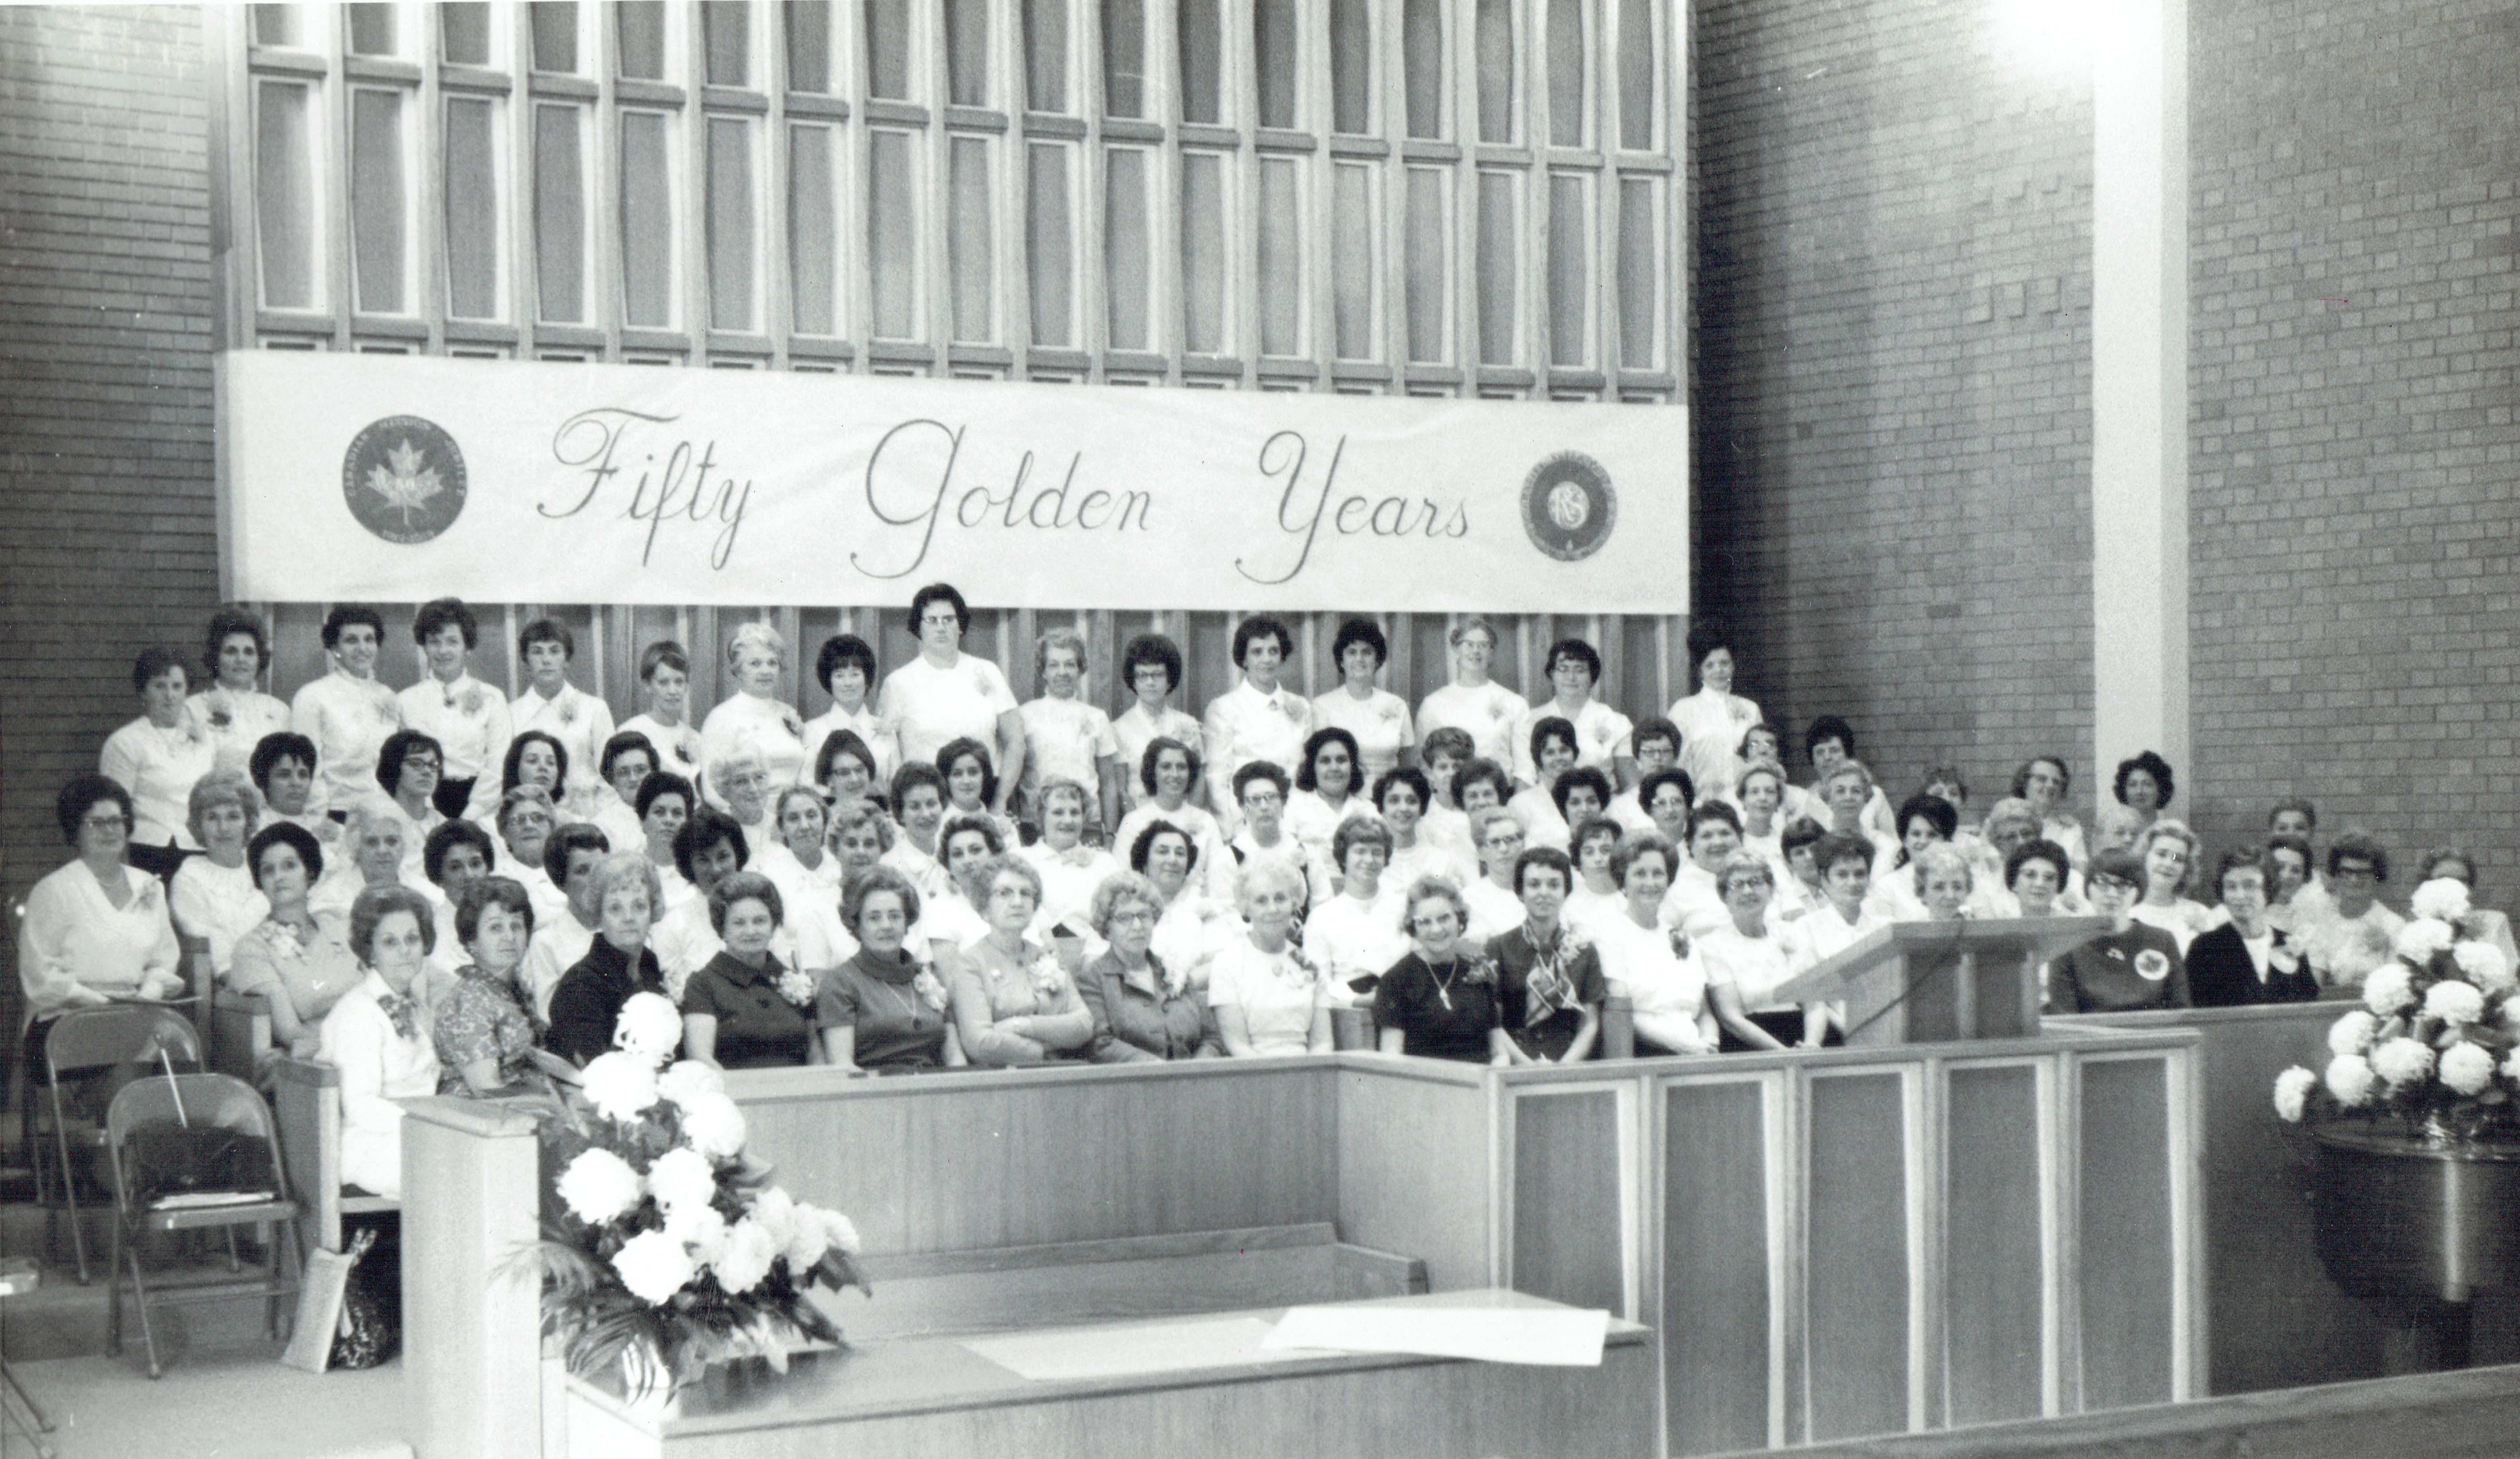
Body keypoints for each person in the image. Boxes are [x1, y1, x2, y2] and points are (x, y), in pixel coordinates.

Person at [20, 777, 187, 1079]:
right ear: (75, 831)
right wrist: (102, 1004)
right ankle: (123, 1120)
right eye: (96, 823)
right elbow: (40, 976)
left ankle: (136, 1121)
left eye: (116, 821)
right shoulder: (55, 890)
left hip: (134, 1016)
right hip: (65, 1021)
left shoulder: (148, 886)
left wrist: (147, 995)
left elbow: (163, 961)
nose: (110, 830)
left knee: (178, 1041)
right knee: (135, 1050)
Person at [318, 885, 444, 1198]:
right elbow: (361, 1105)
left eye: (412, 939)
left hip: (410, 1135)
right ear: (370, 951)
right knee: (464, 1165)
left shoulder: (411, 1004)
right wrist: (431, 1123)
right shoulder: (359, 1012)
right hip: (371, 1146)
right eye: (390, 942)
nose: (405, 950)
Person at [879, 582, 1025, 816]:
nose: (941, 628)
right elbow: (889, 757)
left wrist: (999, 802)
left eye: (949, 619)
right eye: (932, 620)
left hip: (983, 800)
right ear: (919, 627)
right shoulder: (898, 683)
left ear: (960, 626)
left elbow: (1016, 741)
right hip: (925, 805)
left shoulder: (988, 671)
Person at [228, 821, 365, 1060]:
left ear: (309, 872)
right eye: (268, 870)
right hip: (321, 1058)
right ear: (260, 882)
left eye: (289, 866)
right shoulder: (252, 949)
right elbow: (292, 1035)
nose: (279, 877)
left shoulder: (340, 924)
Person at [944, 855, 1092, 1067]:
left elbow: (1084, 1024)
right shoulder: (970, 963)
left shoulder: (1045, 956)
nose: (1017, 902)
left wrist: (1021, 1025)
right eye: (1005, 893)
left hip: (1061, 1076)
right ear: (984, 907)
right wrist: (1044, 1053)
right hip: (1003, 1082)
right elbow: (980, 1043)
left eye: (1026, 893)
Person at [819, 867, 962, 1073]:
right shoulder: (841, 982)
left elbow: (954, 1055)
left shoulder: (928, 977)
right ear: (857, 925)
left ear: (907, 923)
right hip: (877, 1094)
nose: (886, 926)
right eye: (874, 918)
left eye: (895, 916)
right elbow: (842, 1066)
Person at [679, 871, 818, 1070]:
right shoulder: (703, 984)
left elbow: (816, 1053)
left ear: (773, 925)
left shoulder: (796, 979)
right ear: (722, 929)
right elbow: (701, 1058)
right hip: (736, 1095)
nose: (751, 931)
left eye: (760, 921)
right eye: (739, 923)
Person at [1589, 834, 1714, 1055]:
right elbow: (1621, 1014)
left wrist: (1710, 1042)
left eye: (1658, 873)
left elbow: (1704, 1013)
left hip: (1697, 1051)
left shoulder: (1683, 938)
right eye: (1640, 874)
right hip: (1643, 1053)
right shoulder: (1608, 936)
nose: (1650, 883)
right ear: (1622, 880)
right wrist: (1682, 1046)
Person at [432, 877, 558, 1095]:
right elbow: (487, 1089)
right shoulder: (471, 1000)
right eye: (496, 928)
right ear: (472, 942)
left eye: (516, 926)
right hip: (480, 1117)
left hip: (525, 1101)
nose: (510, 936)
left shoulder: (510, 988)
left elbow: (535, 1056)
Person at [101, 646, 218, 878]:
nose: (170, 695)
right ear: (143, 693)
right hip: (147, 854)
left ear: (187, 692)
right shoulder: (125, 742)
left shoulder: (205, 740)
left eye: (177, 686)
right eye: (160, 686)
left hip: (198, 851)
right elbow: (113, 813)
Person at [1077, 871, 1219, 1062]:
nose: (1137, 926)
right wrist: (1153, 1067)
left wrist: (1199, 1067)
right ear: (1107, 927)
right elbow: (1099, 1044)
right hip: (1133, 1085)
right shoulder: (1093, 979)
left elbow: (1212, 1038)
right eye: (1125, 918)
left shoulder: (1172, 969)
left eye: (1144, 915)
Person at [544, 853, 671, 1065]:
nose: (629, 918)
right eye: (615, 908)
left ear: (652, 911)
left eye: (639, 906)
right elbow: (592, 1067)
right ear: (599, 915)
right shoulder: (581, 984)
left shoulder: (649, 966)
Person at [1488, 845, 1607, 1063]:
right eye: (1534, 885)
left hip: (1568, 1059)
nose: (1544, 893)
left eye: (1554, 885)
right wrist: (1526, 1066)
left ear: (1566, 892)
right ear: (1520, 893)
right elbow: (1493, 1022)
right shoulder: (1499, 948)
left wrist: (1563, 1068)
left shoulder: (1585, 951)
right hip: (1516, 1059)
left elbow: (1590, 1023)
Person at [1375, 879, 1513, 1065]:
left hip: (1480, 1084)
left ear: (1459, 919)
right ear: (1413, 927)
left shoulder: (1477, 972)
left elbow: (1499, 1053)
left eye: (1444, 918)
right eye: (1425, 922)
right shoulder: (1395, 981)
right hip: (1426, 1086)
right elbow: (1392, 1057)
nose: (1437, 929)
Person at [398, 598, 510, 822]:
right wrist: (430, 814)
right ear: (425, 647)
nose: (443, 651)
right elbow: (402, 764)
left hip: (481, 806)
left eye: (452, 642)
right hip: (421, 805)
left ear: (466, 647)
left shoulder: (492, 698)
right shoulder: (405, 701)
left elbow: (498, 764)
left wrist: (471, 815)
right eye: (434, 642)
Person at [1208, 859, 1335, 1057]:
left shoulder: (1308, 963)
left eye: (1281, 898)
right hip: (1252, 1075)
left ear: (1294, 903)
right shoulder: (1227, 964)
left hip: (1308, 1075)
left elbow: (1323, 1043)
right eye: (1261, 900)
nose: (1273, 909)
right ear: (1245, 908)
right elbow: (1237, 1045)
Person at [1695, 852, 1821, 1051]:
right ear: (1724, 896)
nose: (1747, 891)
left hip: (1802, 1039)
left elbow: (1814, 1002)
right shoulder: (1712, 945)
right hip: (1748, 1045)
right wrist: (1785, 1055)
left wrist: (1812, 1044)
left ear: (1771, 890)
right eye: (1738, 885)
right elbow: (1730, 1018)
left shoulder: (1792, 934)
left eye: (1755, 882)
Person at [290, 605, 403, 820]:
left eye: (369, 639)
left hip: (385, 810)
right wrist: (319, 817)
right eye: (352, 640)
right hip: (336, 812)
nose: (363, 648)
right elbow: (309, 767)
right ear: (335, 648)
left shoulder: (387, 695)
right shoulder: (313, 696)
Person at [1203, 615, 1312, 830]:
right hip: (1245, 820)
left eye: (1274, 651)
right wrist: (1230, 832)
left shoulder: (1301, 707)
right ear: (1243, 659)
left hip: (1295, 819)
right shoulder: (1223, 709)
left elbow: (1306, 772)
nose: (1267, 659)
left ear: (1282, 656)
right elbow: (1217, 780)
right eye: (1257, 652)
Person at [2049, 848, 2190, 1013]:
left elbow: (2181, 1011)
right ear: (2088, 888)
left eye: (2123, 885)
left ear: (2138, 892)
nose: (2112, 894)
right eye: (2102, 883)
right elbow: (2065, 1020)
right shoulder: (2066, 946)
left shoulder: (2162, 941)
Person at [1018, 627, 1123, 835]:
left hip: (1087, 825)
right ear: (1043, 671)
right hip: (1036, 825)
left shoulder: (1097, 717)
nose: (1062, 673)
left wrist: (1111, 834)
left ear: (1080, 669)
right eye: (1054, 665)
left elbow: (1109, 783)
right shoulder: (1025, 715)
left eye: (1070, 665)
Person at [509, 617, 616, 821]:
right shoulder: (511, 714)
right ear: (526, 662)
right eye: (537, 652)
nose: (546, 660)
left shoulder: (594, 708)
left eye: (555, 651)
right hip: (531, 818)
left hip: (587, 816)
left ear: (566, 660)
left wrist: (598, 821)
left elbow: (610, 776)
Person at [167, 773, 268, 979]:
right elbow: (216, 953)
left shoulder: (265, 865)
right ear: (199, 826)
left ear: (248, 821)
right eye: (212, 818)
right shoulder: (190, 878)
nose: (224, 828)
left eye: (233, 816)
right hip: (234, 981)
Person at [699, 621, 809, 811]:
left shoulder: (788, 713)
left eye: (772, 663)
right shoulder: (721, 718)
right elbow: (712, 792)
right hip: (746, 822)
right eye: (755, 663)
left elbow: (805, 774)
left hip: (793, 818)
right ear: (738, 670)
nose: (766, 671)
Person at [2186, 849, 2317, 1007]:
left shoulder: (2289, 943)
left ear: (2267, 889)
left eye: (2250, 886)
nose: (2240, 896)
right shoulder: (2204, 948)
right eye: (2231, 887)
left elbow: (2309, 1005)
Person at [1113, 738, 1235, 901]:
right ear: (1153, 772)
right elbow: (1121, 876)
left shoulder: (1206, 821)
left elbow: (1219, 876)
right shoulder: (1133, 821)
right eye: (1166, 767)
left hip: (1195, 907)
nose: (1175, 774)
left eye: (1181, 767)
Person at [1305, 817, 1409, 1004]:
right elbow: (1319, 984)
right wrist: (1358, 1000)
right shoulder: (1322, 918)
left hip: (1403, 1009)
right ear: (1343, 857)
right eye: (1360, 852)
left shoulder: (1403, 907)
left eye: (1377, 852)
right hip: (1349, 1014)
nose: (1369, 860)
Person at [516, 822, 613, 1023]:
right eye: (582, 871)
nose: (596, 880)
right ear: (561, 882)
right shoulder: (546, 942)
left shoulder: (628, 928)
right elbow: (548, 1016)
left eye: (601, 869)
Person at [1133, 820, 1244, 988]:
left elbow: (1223, 961)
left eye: (1180, 854)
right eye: (1163, 852)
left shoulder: (1203, 909)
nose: (1172, 860)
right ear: (1144, 863)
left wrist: (1181, 983)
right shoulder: (1126, 906)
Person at [1514, 638, 1635, 791]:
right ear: (1552, 675)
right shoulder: (1530, 720)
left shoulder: (1616, 722)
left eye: (1580, 670)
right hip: (1544, 807)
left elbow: (1631, 785)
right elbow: (1524, 777)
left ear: (1593, 677)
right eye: (1563, 669)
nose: (1571, 678)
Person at [192, 608, 292, 783]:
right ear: (216, 657)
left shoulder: (279, 710)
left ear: (259, 658)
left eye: (249, 652)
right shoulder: (194, 708)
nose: (241, 659)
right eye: (231, 651)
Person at [1113, 633, 1208, 815]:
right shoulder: (1119, 728)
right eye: (1142, 675)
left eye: (1157, 675)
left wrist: (1189, 820)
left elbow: (1199, 781)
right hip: (1140, 818)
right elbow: (1121, 790)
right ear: (1133, 680)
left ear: (1169, 679)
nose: (1150, 683)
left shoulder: (1188, 724)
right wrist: (1137, 823)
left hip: (1183, 819)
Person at [1665, 622, 1760, 804]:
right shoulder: (1684, 710)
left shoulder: (1750, 709)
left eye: (1725, 663)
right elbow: (1678, 764)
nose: (1719, 670)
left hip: (1746, 802)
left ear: (1733, 666)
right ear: (1700, 670)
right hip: (1702, 802)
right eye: (1710, 665)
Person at [1312, 618, 1417, 782]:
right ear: (1342, 661)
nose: (1359, 659)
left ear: (1377, 660)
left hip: (1387, 797)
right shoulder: (1322, 706)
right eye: (1352, 652)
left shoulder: (1397, 705)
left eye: (1367, 652)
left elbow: (1407, 765)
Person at [1020, 778, 1123, 942]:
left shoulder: (1105, 864)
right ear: (1041, 816)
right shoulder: (1021, 861)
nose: (1068, 820)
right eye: (1058, 812)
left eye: (1075, 812)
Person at [1417, 616, 1525, 772]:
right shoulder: (1433, 704)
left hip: (1500, 792)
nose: (1476, 651)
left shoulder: (1514, 703)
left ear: (1492, 652)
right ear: (1455, 649)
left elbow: (1524, 768)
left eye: (1483, 645)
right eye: (1468, 645)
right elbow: (1424, 765)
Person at [2300, 832, 2406, 990]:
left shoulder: (2394, 926)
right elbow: (2314, 985)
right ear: (2336, 875)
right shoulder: (2322, 922)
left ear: (2376, 877)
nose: (2354, 880)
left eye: (2363, 873)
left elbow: (2398, 984)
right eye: (2347, 872)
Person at [1227, 761, 1336, 912]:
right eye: (1255, 800)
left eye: (1271, 797)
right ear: (1243, 808)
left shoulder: (1308, 855)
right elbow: (1226, 914)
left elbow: (1325, 910)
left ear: (1283, 803)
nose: (1264, 807)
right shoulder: (1229, 859)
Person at [800, 632, 895, 788]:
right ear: (829, 681)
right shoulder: (812, 730)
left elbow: (895, 782)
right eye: (839, 676)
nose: (848, 683)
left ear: (867, 679)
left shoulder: (885, 730)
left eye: (855, 675)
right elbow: (808, 783)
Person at [419, 819, 501, 983]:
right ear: (439, 876)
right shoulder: (431, 931)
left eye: (476, 864)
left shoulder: (505, 917)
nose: (469, 875)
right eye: (455, 867)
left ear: (488, 867)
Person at [2414, 848, 2520, 970]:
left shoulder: (2494, 924)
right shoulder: (2416, 934)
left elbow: (2509, 978)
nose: (2453, 886)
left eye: (2462, 880)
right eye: (2442, 879)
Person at [310, 803, 416, 922]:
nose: (382, 851)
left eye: (392, 841)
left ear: (404, 846)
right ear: (357, 847)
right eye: (372, 842)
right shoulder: (330, 904)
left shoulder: (427, 893)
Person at [1285, 726, 1374, 867]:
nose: (1334, 768)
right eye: (1325, 761)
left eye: (1341, 760)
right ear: (1312, 768)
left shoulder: (1368, 810)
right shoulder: (1294, 807)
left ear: (1353, 766)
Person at [617, 641, 705, 781]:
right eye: (664, 682)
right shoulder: (630, 732)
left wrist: (698, 761)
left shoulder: (695, 739)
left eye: (679, 682)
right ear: (648, 685)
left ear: (687, 686)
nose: (673, 691)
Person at [486, 785, 569, 929]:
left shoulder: (567, 869)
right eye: (518, 820)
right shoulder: (497, 879)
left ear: (552, 827)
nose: (529, 826)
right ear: (504, 832)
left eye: (538, 818)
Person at [371, 730, 448, 884]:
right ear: (394, 767)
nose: (427, 771)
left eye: (433, 765)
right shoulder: (377, 822)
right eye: (416, 764)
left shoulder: (442, 824)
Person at [2128, 819, 2214, 953]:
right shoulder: (2126, 911)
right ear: (2144, 857)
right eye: (2161, 854)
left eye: (2178, 859)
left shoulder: (2199, 913)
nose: (2169, 864)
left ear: (2186, 869)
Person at [1374, 767, 1466, 892]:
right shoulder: (1372, 861)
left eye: (1411, 801)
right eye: (1394, 801)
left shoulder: (1441, 861)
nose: (1403, 808)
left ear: (1422, 808)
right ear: (1382, 808)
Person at [1804, 719, 1895, 842]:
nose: (1827, 757)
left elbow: (1892, 841)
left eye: (1834, 751)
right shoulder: (1806, 799)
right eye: (1820, 752)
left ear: (1847, 755)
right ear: (1813, 761)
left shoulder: (1875, 796)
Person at [1663, 804, 1743, 938]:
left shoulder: (1759, 875)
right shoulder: (1678, 891)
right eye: (1707, 836)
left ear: (1740, 838)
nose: (1718, 842)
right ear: (1691, 846)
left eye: (1725, 833)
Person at [881, 761, 954, 903]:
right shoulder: (889, 866)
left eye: (932, 804)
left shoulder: (956, 852)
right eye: (915, 807)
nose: (926, 814)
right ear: (901, 814)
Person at [1506, 717, 1582, 851]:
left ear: (1574, 753)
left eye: (1564, 750)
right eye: (1550, 753)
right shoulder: (1521, 804)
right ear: (1538, 758)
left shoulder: (1588, 797)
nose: (1558, 758)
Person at [250, 731, 335, 847]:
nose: (296, 783)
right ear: (264, 780)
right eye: (284, 775)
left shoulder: (328, 831)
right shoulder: (253, 830)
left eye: (303, 775)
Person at [935, 736, 1021, 850]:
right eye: (957, 774)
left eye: (973, 772)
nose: (967, 781)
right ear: (946, 780)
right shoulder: (938, 825)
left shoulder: (1002, 823)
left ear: (984, 776)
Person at [1462, 807, 1532, 943]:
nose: (1504, 849)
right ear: (1480, 853)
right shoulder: (1471, 899)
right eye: (1494, 842)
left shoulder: (1541, 887)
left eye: (1511, 840)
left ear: (1523, 845)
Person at [1416, 726, 1481, 868]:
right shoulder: (1423, 815)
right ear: (1429, 772)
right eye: (1443, 767)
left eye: (1457, 767)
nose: (1451, 773)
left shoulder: (1478, 809)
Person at [633, 771, 698, 912]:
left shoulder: (698, 872)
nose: (669, 820)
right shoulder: (627, 869)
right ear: (642, 820)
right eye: (659, 812)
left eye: (677, 813)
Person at [588, 732, 658, 858]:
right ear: (613, 780)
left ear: (654, 772)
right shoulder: (602, 826)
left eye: (641, 770)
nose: (633, 778)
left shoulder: (672, 812)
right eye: (624, 772)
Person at [490, 730, 572, 835]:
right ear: (515, 768)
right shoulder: (492, 826)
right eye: (532, 761)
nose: (543, 768)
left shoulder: (571, 823)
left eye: (551, 763)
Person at [2013, 757, 2087, 873]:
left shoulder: (2070, 829)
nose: (2051, 786)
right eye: (2042, 779)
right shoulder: (2003, 823)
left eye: (2056, 782)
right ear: (2025, 784)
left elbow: (2081, 873)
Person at [705, 744, 780, 856]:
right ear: (724, 789)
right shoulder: (714, 830)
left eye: (759, 777)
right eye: (741, 781)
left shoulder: (781, 825)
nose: (754, 789)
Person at [1610, 721, 1684, 834]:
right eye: (1650, 752)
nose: (1658, 758)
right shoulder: (1620, 808)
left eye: (1665, 751)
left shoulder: (1690, 803)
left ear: (1676, 758)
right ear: (1637, 759)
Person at [1562, 816, 1629, 937]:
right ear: (1579, 859)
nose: (1598, 859)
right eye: (1589, 852)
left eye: (1605, 850)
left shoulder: (1632, 896)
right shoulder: (1571, 906)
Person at [813, 727, 887, 820]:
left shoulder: (881, 818)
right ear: (829, 780)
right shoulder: (823, 823)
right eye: (844, 773)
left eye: (859, 770)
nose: (855, 779)